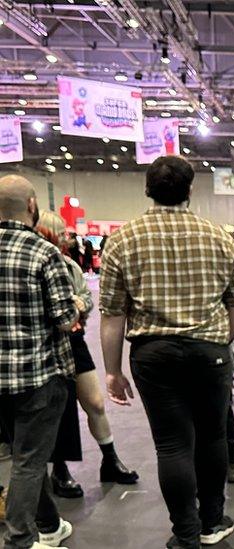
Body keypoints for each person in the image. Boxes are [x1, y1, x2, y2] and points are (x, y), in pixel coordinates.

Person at [99, 156, 234, 549]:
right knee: (213, 437)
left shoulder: (122, 239)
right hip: (210, 352)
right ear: (190, 189)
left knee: (172, 444)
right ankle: (212, 522)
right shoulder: (219, 237)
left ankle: (185, 533)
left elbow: (112, 314)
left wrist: (112, 371)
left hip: (153, 353)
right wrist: (222, 338)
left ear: (148, 189)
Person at [34, 212, 140, 500]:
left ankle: (110, 459)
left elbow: (86, 299)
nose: (64, 240)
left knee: (94, 402)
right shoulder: (35, 263)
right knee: (59, 409)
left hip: (74, 340)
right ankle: (59, 469)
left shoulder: (68, 266)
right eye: (59, 234)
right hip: (45, 344)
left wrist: (78, 303)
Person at [0, 175, 79, 549]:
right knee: (29, 462)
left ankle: (49, 524)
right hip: (37, 376)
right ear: (32, 205)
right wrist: (82, 303)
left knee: (23, 455)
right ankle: (20, 540)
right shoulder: (43, 253)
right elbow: (66, 319)